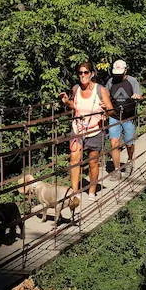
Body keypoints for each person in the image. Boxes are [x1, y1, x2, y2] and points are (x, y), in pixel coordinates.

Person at [59, 62, 113, 201]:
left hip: (95, 130)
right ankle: (74, 193)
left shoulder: (100, 90)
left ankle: (92, 191)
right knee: (74, 159)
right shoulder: (76, 89)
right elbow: (74, 106)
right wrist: (66, 102)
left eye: (86, 72)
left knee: (93, 162)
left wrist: (106, 109)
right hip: (78, 129)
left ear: (92, 74)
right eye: (80, 73)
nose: (83, 75)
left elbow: (112, 111)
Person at [105, 59, 144, 178]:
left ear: (125, 71)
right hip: (114, 116)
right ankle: (117, 170)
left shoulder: (132, 81)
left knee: (129, 143)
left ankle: (130, 161)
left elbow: (140, 96)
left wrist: (138, 97)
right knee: (114, 142)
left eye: (120, 73)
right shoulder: (110, 81)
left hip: (129, 116)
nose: (118, 76)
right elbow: (106, 96)